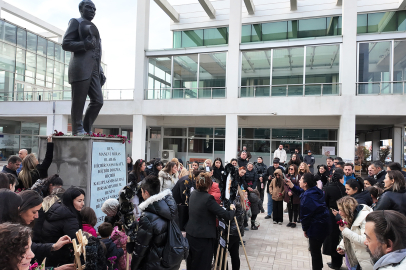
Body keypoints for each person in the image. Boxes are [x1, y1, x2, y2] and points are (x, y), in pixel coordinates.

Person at [62, 0, 106, 135]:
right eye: (89, 8)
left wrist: (101, 70)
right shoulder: (76, 22)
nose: (93, 11)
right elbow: (66, 43)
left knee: (98, 101)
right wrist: (84, 44)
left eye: (94, 9)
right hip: (80, 69)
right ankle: (77, 129)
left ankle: (86, 128)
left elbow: (96, 53)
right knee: (79, 101)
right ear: (81, 9)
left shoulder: (93, 27)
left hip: (94, 70)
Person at [186, 172, 236, 270]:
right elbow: (227, 215)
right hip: (203, 237)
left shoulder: (193, 194)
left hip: (191, 234)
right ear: (209, 185)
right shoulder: (208, 198)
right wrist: (233, 209)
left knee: (192, 263)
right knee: (203, 264)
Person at [130, 175, 180, 270]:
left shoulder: (147, 217)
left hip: (153, 264)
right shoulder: (170, 207)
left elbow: (141, 247)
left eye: (141, 191)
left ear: (146, 192)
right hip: (169, 260)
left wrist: (134, 266)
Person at [286, 173, 330, 270]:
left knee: (315, 251)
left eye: (301, 180)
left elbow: (305, 216)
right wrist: (292, 186)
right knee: (316, 250)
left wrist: (305, 229)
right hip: (324, 224)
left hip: (316, 227)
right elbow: (302, 192)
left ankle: (317, 268)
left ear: (305, 183)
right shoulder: (316, 191)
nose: (299, 181)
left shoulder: (308, 197)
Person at [42, 187, 85, 267]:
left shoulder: (57, 208)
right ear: (70, 201)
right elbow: (76, 241)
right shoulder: (69, 217)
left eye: (83, 200)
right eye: (79, 201)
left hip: (48, 252)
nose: (83, 203)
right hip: (59, 257)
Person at [336, 196, 373, 270]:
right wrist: (342, 246)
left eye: (340, 210)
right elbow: (349, 235)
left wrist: (345, 230)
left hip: (365, 258)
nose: (339, 212)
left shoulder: (365, 218)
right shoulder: (349, 216)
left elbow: (365, 241)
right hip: (355, 257)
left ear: (347, 210)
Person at [323, 169, 346, 270]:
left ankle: (334, 263)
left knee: (332, 239)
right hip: (343, 214)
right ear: (340, 178)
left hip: (331, 215)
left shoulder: (328, 188)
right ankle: (338, 262)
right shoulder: (345, 188)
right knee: (340, 238)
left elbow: (325, 202)